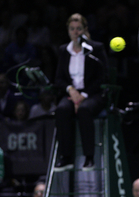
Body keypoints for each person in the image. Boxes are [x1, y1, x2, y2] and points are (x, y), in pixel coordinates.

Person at [53, 13, 108, 172]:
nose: (75, 32)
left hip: (93, 94)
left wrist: (83, 96)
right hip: (72, 93)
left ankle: (89, 158)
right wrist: (71, 90)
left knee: (84, 110)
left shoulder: (95, 49)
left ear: (85, 30)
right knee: (62, 109)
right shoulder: (64, 50)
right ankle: (66, 158)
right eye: (72, 29)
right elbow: (59, 79)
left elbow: (102, 77)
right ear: (68, 31)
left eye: (79, 29)